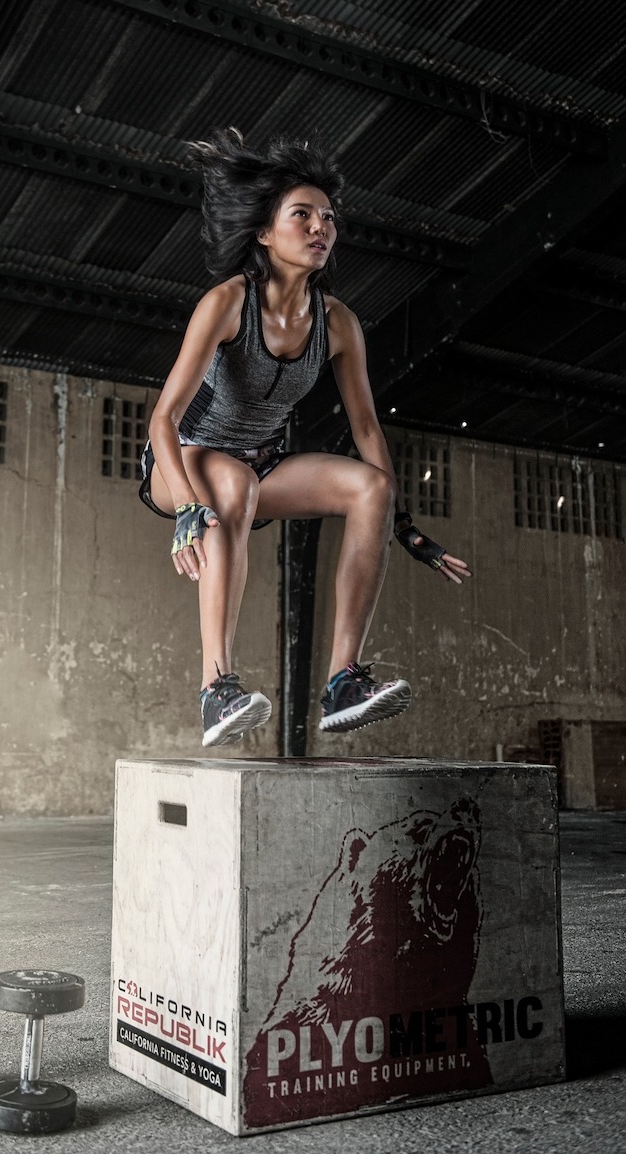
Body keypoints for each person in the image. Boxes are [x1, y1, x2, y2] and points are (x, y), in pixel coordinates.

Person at [140, 128, 471, 748]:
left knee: (369, 486)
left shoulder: (337, 321)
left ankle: (342, 684)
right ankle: (216, 688)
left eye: (328, 218)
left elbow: (366, 427)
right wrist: (188, 506)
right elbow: (163, 418)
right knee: (231, 482)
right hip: (180, 461)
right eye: (302, 215)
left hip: (260, 468)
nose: (321, 227)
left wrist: (404, 525)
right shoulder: (227, 302)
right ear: (265, 232)